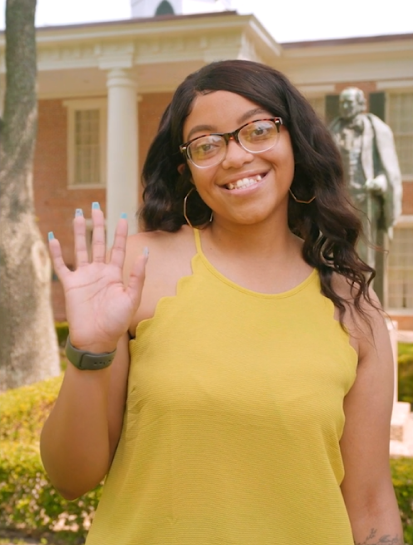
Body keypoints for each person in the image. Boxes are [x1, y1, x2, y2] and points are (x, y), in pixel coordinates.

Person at [41, 60, 403, 545]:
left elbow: (371, 505)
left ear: (294, 139)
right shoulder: (137, 270)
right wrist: (89, 351)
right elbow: (70, 478)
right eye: (207, 144)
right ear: (186, 168)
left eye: (257, 130)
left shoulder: (355, 306)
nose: (234, 157)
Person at [329, 87, 402, 270]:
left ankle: (363, 290)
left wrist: (381, 182)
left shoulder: (377, 129)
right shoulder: (331, 131)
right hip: (339, 199)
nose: (345, 106)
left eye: (350, 102)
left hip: (365, 198)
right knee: (336, 245)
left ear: (361, 104)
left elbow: (388, 166)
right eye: (342, 103)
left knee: (364, 249)